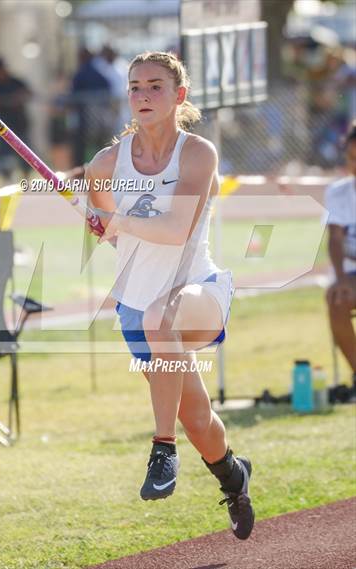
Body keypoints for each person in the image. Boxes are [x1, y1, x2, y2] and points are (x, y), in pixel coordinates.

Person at [83, 51, 254, 540]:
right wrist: (100, 220)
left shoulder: (198, 153)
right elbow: (110, 232)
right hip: (137, 303)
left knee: (164, 319)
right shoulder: (104, 164)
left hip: (197, 288)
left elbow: (178, 229)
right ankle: (233, 477)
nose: (142, 95)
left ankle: (162, 448)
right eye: (135, 86)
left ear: (179, 96)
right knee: (200, 420)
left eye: (155, 86)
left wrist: (117, 220)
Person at [325, 122, 356, 392]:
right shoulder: (338, 191)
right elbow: (335, 238)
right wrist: (342, 278)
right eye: (351, 158)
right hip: (353, 273)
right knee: (337, 297)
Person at [0, 56, 31, 178]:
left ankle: (26, 175)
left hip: (19, 123)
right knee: (2, 152)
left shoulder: (15, 82)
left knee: (24, 150)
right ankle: (5, 176)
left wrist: (16, 98)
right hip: (0, 124)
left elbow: (29, 93)